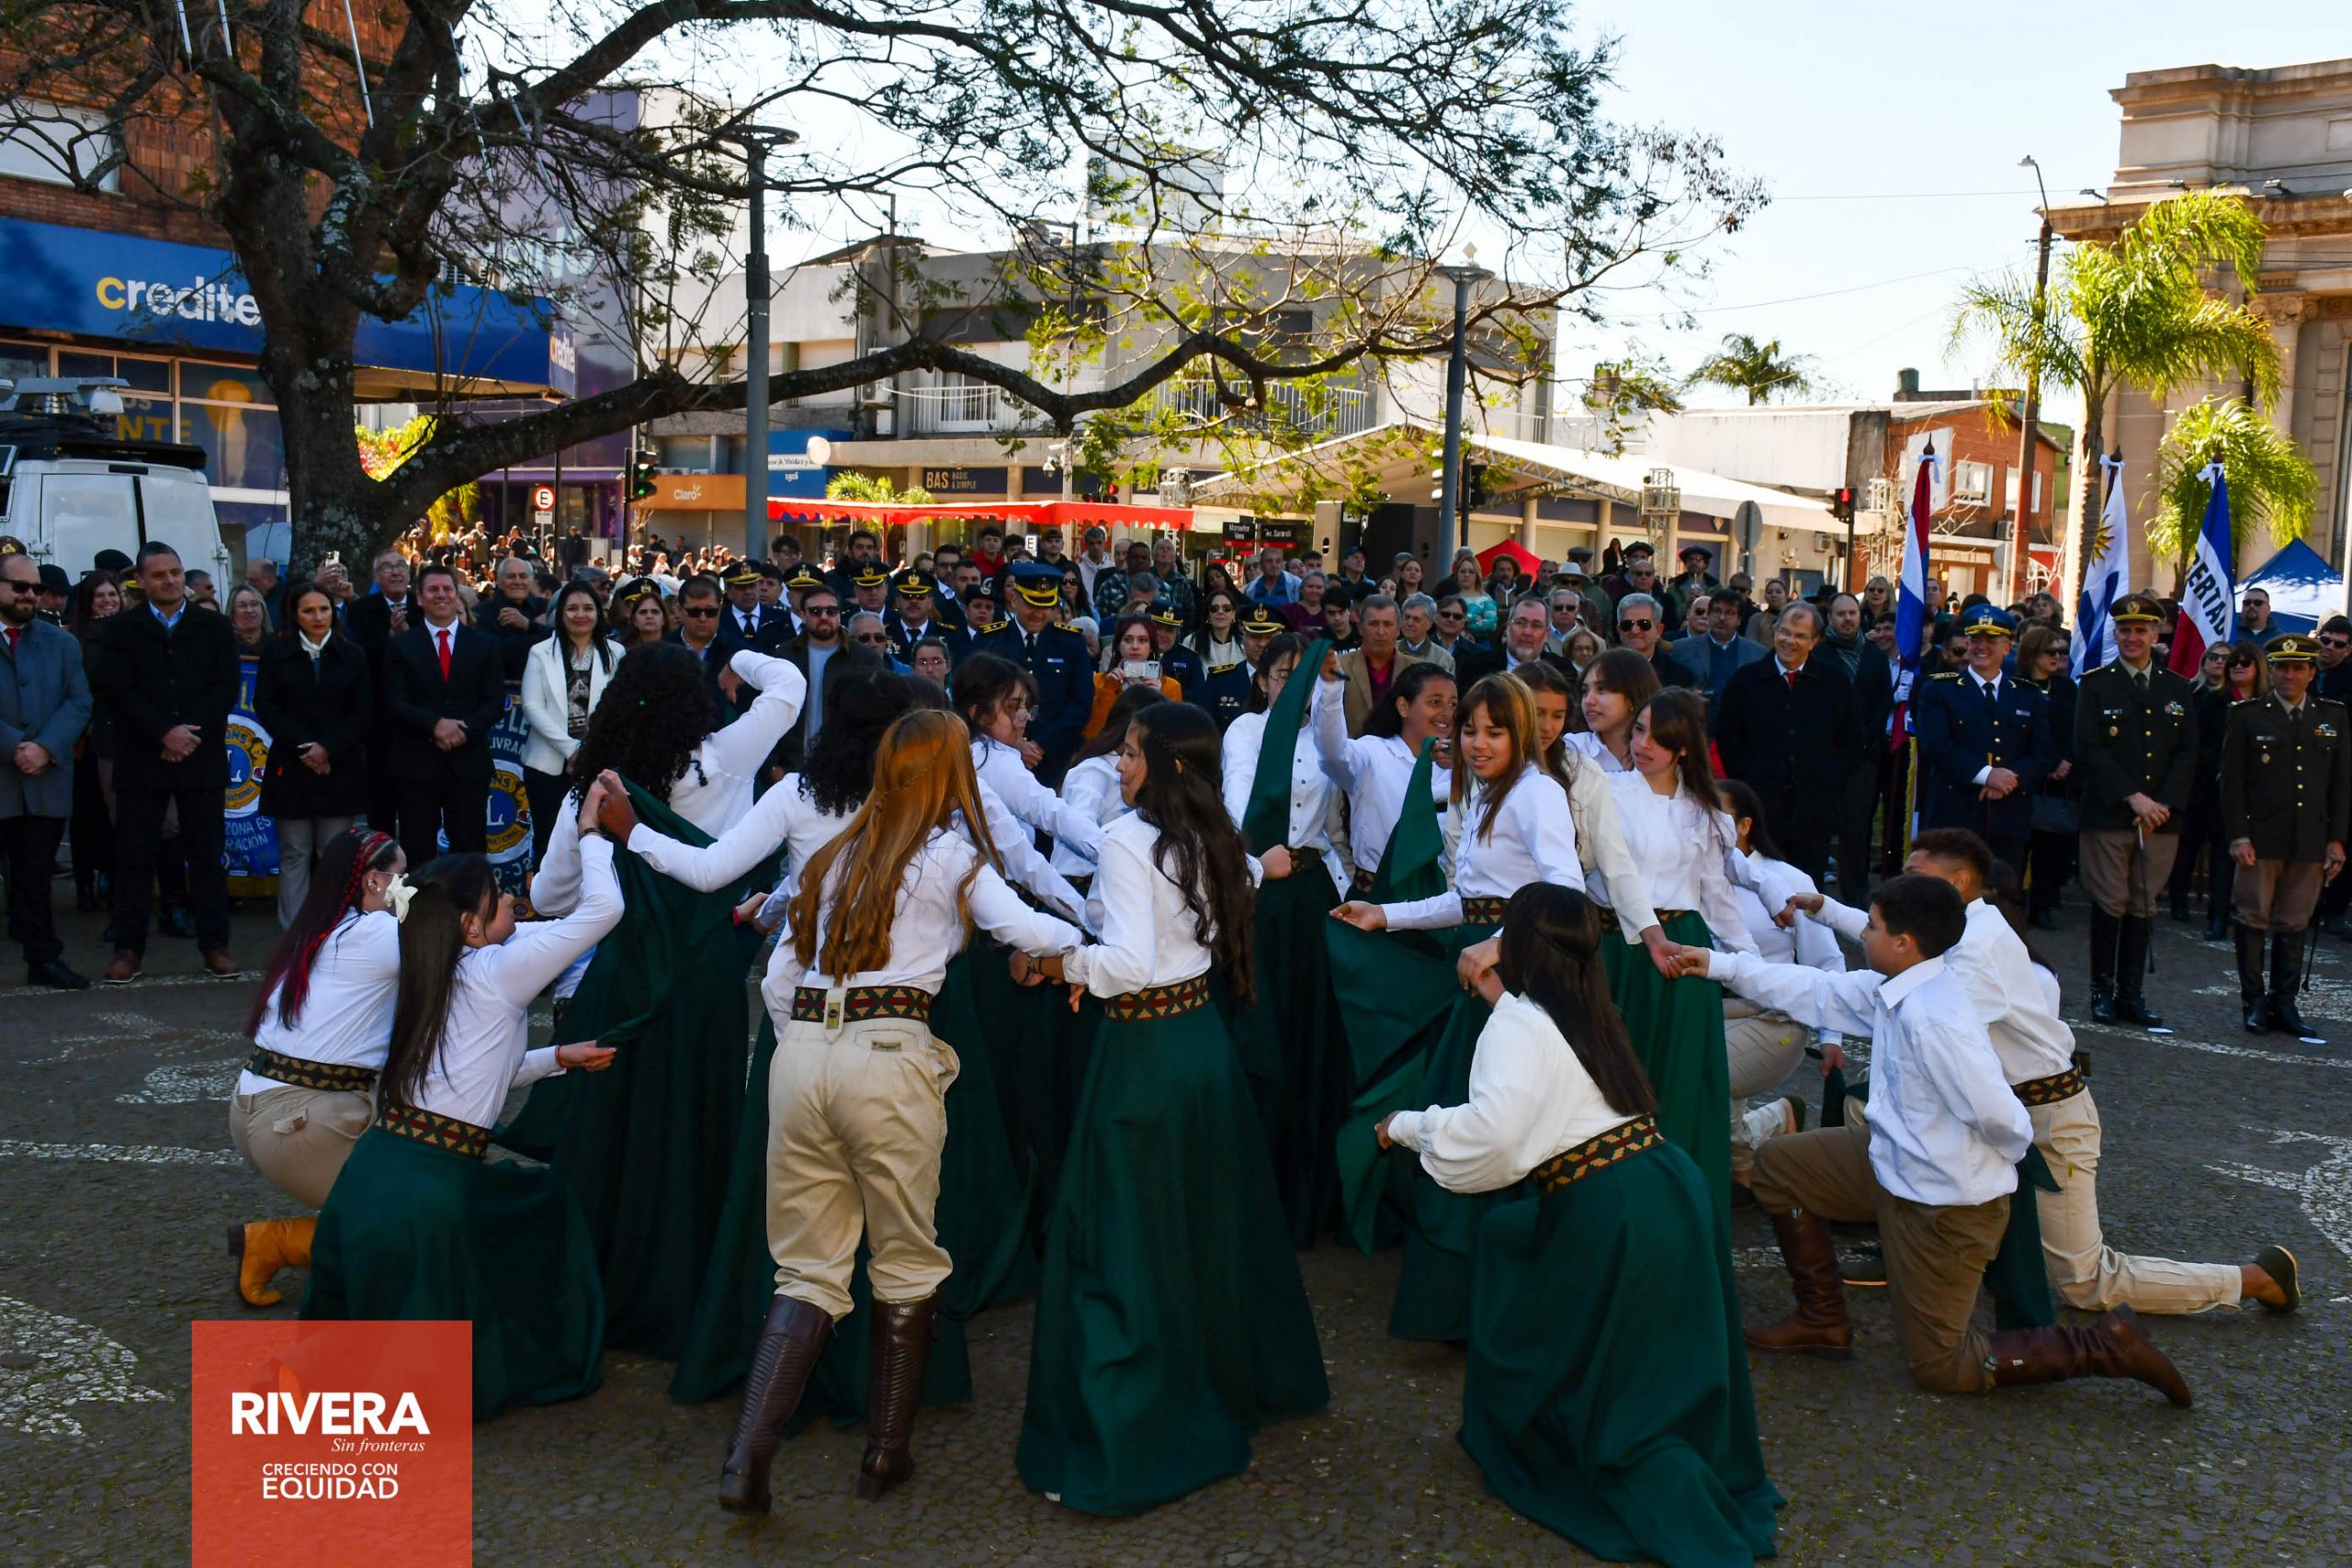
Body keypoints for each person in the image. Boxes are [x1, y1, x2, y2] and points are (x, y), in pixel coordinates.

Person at [696, 710, 1081, 1511]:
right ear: (949, 775)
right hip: (888, 1052)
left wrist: (809, 1048)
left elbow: (779, 979)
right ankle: (884, 1455)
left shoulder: (833, 854)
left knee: (807, 1267)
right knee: (905, 1260)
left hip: (804, 1054)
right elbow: (1027, 926)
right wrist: (1096, 948)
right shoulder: (950, 855)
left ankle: (745, 1458)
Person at [1674, 874, 2194, 1405]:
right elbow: (1817, 990)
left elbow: (2003, 1118)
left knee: (1942, 1367)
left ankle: (2105, 1346)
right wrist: (1718, 964)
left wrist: (1987, 1176)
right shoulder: (1900, 986)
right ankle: (1822, 1319)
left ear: (1904, 943)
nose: (1864, 934)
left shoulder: (1936, 1020)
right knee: (1782, 1166)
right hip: (1890, 1166)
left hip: (1946, 1203)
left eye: (1873, 927)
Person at [1385, 885, 1780, 1564]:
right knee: (1650, 1363)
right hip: (1669, 1185)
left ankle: (1580, 1445)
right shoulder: (1592, 1006)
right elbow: (1545, 1054)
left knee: (1627, 1408)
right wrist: (1499, 998)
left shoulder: (1520, 1025)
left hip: (1610, 1207)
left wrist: (1407, 1126)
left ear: (1516, 945)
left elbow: (1493, 1140)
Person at [1018, 701, 1328, 1512]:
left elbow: (1127, 962)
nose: (1118, 764)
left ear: (1170, 765)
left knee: (1124, 1235)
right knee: (1202, 1226)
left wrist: (1055, 966)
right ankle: (1222, 1377)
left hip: (1145, 1057)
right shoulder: (1212, 833)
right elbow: (1240, 887)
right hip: (1200, 1047)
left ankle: (1138, 1419)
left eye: (1130, 753)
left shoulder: (1127, 840)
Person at [1793, 829, 2298, 1320]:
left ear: (1960, 881)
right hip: (2004, 1117)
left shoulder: (1974, 949)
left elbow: (1913, 991)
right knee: (1872, 1115)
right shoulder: (1961, 930)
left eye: (1914, 873)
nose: (1900, 887)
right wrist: (1827, 910)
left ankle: (2254, 1279)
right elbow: (1892, 938)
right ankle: (1909, 1246)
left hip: (2046, 1122)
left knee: (2085, 1281)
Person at [302, 806, 626, 1420]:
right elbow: (604, 911)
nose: (511, 901)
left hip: (371, 1174)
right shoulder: (501, 971)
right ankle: (537, 1343)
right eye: (498, 896)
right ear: (472, 925)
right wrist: (591, 832)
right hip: (428, 1191)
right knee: (546, 1205)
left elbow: (471, 1073)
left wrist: (558, 1056)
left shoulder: (435, 963)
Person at [1331, 675, 1582, 1341]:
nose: (1477, 743)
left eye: (1494, 732)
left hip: (1516, 982)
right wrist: (1385, 914)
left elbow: (1566, 891)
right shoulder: (1481, 795)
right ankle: (1464, 1302)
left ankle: (1506, 1304)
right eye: (1469, 730)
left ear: (1520, 732)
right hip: (1477, 977)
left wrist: (1502, 945)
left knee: (1498, 1129)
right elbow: (1468, 902)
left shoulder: (1537, 792)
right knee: (1467, 1124)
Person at [226, 829, 406, 1305]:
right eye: (402, 877)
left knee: (405, 1199)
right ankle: (276, 1243)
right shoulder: (377, 932)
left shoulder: (317, 929)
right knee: (415, 1221)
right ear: (373, 881)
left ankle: (284, 1240)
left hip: (257, 1110)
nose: (406, 887)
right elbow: (473, 957)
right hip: (300, 1122)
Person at [1600, 689, 1755, 1208]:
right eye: (1639, 730)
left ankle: (1678, 1205)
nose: (1643, 744)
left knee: (1681, 1082)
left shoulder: (1705, 812)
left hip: (1683, 953)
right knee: (1612, 1079)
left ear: (1685, 746)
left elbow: (1717, 894)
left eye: (1660, 737)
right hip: (1616, 948)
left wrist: (1751, 967)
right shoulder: (1606, 791)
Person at [98, 542, 241, 983]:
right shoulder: (120, 630)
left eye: (176, 572)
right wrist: (163, 733)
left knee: (206, 856)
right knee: (135, 858)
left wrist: (187, 735)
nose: (171, 581)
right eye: (159, 575)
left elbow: (225, 688)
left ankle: (215, 945)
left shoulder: (214, 626)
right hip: (143, 757)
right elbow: (117, 691)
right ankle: (128, 948)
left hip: (200, 755)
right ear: (141, 581)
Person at [2064, 593, 2194, 1025]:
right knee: (2110, 901)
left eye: (2141, 630)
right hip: (2111, 813)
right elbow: (2088, 748)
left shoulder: (2177, 687)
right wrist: (2132, 797)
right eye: (2125, 630)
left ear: (2156, 635)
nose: (2132, 637)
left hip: (2160, 819)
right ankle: (2101, 992)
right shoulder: (2096, 684)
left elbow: (2188, 752)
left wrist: (2163, 803)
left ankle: (2131, 995)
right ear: (2115, 635)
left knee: (2143, 903)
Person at [2221, 634, 2351, 1038]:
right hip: (2261, 837)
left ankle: (2285, 1003)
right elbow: (2232, 782)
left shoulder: (2332, 717)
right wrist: (2238, 835)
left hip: (2310, 837)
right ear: (2272, 671)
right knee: (2253, 916)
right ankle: (2254, 1003)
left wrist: (2337, 839)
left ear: (2312, 673)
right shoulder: (2248, 715)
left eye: (2297, 668)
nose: (2288, 675)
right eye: (2281, 667)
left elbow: (2341, 785)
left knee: (2295, 921)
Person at [1715, 780, 1833, 1192]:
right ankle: (1766, 1129)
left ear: (1745, 825)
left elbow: (1827, 961)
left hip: (1773, 1017)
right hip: (1708, 1007)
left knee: (1706, 1070)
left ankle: (1742, 1163)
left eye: (1716, 815)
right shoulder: (1684, 873)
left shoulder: (1786, 879)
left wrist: (1832, 1037)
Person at [254, 581, 374, 927]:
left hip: (339, 766)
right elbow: (267, 705)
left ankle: (335, 928)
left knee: (334, 855)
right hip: (293, 766)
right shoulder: (276, 652)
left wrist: (328, 748)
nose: (318, 616)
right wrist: (306, 748)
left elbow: (363, 710)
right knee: (294, 852)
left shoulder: (352, 653)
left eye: (324, 609)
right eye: (308, 610)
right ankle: (294, 933)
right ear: (294, 614)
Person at [0, 549, 94, 988]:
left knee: (36, 879)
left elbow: (80, 702)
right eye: (20, 587)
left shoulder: (62, 643)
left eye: (36, 588)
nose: (30, 595)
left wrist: (46, 747)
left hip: (44, 782)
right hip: (5, 775)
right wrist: (14, 746)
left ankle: (43, 959)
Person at [1713, 603, 1856, 885]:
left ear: (1815, 641)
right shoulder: (1744, 681)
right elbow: (1729, 740)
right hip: (1761, 808)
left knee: (1807, 887)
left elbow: (1850, 742)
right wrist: (1749, 783)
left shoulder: (1836, 684)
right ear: (1775, 630)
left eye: (1800, 636)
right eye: (1785, 632)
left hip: (1815, 810)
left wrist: (1828, 783)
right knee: (1762, 885)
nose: (1790, 641)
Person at [1912, 604, 2055, 878]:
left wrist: (2009, 780)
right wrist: (1988, 775)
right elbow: (1936, 746)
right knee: (1949, 891)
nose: (1982, 647)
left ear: (2008, 646)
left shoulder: (2028, 695)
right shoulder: (1939, 690)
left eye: (1992, 640)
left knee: (2001, 892)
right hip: (1955, 812)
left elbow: (2043, 753)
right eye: (1975, 639)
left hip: (2009, 813)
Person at [380, 562, 507, 870]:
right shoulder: (400, 646)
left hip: (468, 762)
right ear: (419, 598)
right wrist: (434, 726)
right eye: (433, 590)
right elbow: (394, 701)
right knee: (417, 850)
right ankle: (420, 903)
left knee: (470, 852)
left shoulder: (485, 643)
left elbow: (494, 702)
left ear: (456, 595)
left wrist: (463, 730)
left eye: (447, 589)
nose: (441, 595)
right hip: (417, 763)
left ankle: (469, 903)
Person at [519, 582, 616, 866]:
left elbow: (616, 709)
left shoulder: (616, 653)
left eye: (588, 608)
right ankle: (546, 896)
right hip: (546, 765)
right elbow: (532, 707)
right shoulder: (540, 652)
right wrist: (573, 749)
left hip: (600, 762)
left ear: (598, 612)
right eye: (572, 608)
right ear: (560, 614)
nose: (580, 615)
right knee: (549, 842)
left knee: (597, 840)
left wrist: (589, 750)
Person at [976, 561, 1095, 784]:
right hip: (998, 755)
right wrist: (1015, 742)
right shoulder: (989, 640)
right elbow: (977, 699)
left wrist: (1041, 744)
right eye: (1032, 605)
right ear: (1015, 600)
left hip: (1054, 758)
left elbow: (1081, 702)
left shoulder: (1070, 642)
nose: (1039, 614)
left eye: (1046, 606)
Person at [1818, 592, 1894, 902]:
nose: (1848, 619)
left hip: (1863, 757)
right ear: (1830, 619)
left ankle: (1855, 894)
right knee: (1820, 825)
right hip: (1826, 756)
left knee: (1856, 827)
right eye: (1841, 614)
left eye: (1852, 613)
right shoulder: (1819, 654)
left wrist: (1864, 739)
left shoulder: (1875, 656)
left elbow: (1884, 700)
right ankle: (1813, 891)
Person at [771, 582, 883, 775]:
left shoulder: (865, 659)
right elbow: (769, 712)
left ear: (839, 614)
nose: (824, 617)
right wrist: (773, 767)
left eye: (831, 611)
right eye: (815, 611)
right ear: (803, 615)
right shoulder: (785, 655)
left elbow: (879, 717)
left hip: (848, 769)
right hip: (793, 767)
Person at [345, 547, 419, 836]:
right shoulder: (361, 609)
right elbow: (360, 658)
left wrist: (409, 640)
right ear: (377, 576)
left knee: (416, 804)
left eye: (401, 565)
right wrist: (391, 639)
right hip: (379, 716)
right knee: (381, 797)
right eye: (388, 567)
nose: (396, 572)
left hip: (419, 716)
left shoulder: (423, 604)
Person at [2013, 621, 2079, 931]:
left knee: (2050, 846)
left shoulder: (2066, 688)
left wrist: (2064, 761)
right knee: (2018, 845)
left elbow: (2075, 728)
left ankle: (2043, 904)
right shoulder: (2016, 686)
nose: (2057, 657)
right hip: (2024, 775)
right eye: (2050, 652)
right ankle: (2013, 904)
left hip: (2058, 780)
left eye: (2061, 652)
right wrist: (2047, 761)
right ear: (2032, 653)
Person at [2169, 642, 2234, 931]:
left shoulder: (2234, 699)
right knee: (2188, 844)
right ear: (2204, 660)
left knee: (2221, 849)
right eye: (2213, 657)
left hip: (2223, 781)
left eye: (2226, 658)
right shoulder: (2190, 693)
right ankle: (2178, 899)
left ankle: (2218, 910)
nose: (2219, 662)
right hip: (2194, 780)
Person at [1333, 594, 1438, 736]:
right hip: (1350, 747)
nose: (1381, 632)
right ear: (1360, 627)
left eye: (1388, 624)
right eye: (1373, 624)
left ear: (1399, 629)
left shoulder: (1418, 671)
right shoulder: (1339, 667)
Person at [1667, 591, 1767, 712]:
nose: (1722, 618)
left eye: (1730, 613)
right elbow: (1668, 691)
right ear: (1709, 615)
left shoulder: (1757, 653)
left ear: (1739, 620)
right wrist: (1688, 697)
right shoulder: (1682, 649)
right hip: (1696, 716)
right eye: (1717, 611)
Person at [1085, 615, 1184, 736]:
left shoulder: (1171, 687)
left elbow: (1172, 737)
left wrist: (1158, 700)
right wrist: (1109, 689)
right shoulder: (1097, 682)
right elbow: (1092, 734)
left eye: (1142, 640)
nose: (1135, 646)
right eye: (1128, 640)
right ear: (1118, 645)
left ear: (1151, 647)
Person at [1566, 647, 1659, 774]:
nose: (1588, 700)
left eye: (1601, 689)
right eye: (1585, 691)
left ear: (1633, 695)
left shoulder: (1663, 752)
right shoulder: (1572, 749)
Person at [1455, 597, 1570, 687]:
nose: (1527, 632)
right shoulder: (1475, 666)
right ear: (1508, 627)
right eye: (1520, 623)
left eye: (1536, 625)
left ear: (1546, 634)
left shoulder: (1563, 672)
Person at [472, 556, 550, 680]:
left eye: (523, 576)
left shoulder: (546, 608)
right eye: (511, 576)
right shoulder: (481, 612)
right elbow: (490, 653)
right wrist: (539, 633)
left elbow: (560, 641)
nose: (518, 582)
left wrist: (529, 625)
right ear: (499, 581)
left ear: (531, 580)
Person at [225, 582, 273, 654]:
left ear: (263, 609)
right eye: (243, 606)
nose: (249, 610)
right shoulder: (225, 647)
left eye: (254, 604)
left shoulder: (277, 644)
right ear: (232, 612)